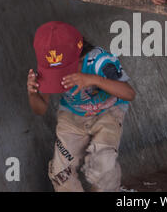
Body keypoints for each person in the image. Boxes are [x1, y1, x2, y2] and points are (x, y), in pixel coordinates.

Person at [27, 21, 135, 192]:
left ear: (79, 53)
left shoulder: (100, 61)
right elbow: (40, 109)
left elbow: (129, 93)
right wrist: (33, 94)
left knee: (103, 167)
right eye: (57, 72)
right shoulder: (46, 70)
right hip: (72, 116)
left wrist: (93, 79)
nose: (60, 76)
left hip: (107, 113)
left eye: (65, 70)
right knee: (60, 173)